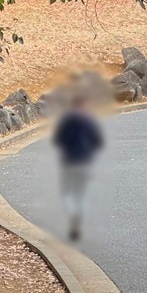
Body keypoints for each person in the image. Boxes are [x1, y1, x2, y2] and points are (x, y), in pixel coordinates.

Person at [51, 94, 104, 241]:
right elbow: (98, 141)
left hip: (69, 160)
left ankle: (71, 215)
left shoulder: (66, 120)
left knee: (67, 192)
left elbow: (58, 139)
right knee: (80, 193)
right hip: (85, 161)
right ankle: (77, 219)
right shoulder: (89, 120)